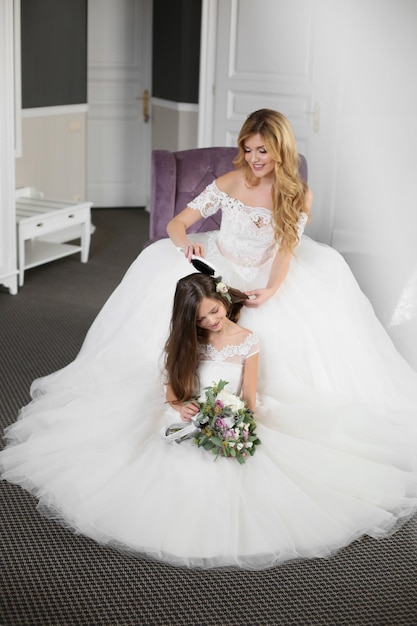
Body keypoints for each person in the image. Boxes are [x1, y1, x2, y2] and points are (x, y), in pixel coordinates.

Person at [1, 109, 417, 569]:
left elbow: (285, 250)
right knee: (182, 316)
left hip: (266, 274)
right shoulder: (229, 181)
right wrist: (187, 246)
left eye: (264, 151)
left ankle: (248, 401)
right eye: (249, 149)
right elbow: (176, 224)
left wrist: (273, 289)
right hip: (217, 263)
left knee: (282, 341)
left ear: (281, 150)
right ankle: (180, 387)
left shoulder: (296, 192)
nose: (255, 159)